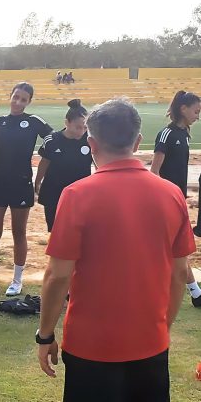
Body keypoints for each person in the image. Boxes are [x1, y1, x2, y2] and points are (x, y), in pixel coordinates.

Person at [37, 98, 195, 401]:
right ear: (138, 141)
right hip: (150, 341)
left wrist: (44, 334)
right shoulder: (171, 193)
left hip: (90, 345)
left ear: (91, 143)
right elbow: (179, 274)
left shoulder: (76, 195)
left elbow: (58, 276)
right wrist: (162, 329)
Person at [0, 82, 52, 298]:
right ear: (10, 96)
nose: (18, 102)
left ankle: (17, 280)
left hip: (21, 183)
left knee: (19, 233)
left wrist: (45, 157)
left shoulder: (33, 121)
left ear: (29, 102)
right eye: (16, 97)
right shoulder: (1, 122)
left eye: (23, 99)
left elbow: (53, 137)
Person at [150, 90, 201, 307]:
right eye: (196, 111)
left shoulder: (184, 134)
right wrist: (166, 197)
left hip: (177, 200)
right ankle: (195, 292)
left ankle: (195, 292)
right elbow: (154, 172)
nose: (198, 115)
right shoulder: (167, 134)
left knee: (173, 248)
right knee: (173, 248)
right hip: (166, 201)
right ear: (183, 109)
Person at [34, 99, 92, 232]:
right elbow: (44, 162)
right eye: (78, 127)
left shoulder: (90, 140)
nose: (82, 131)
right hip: (54, 192)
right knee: (55, 230)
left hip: (81, 194)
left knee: (79, 231)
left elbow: (99, 163)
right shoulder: (52, 140)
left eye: (85, 127)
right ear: (67, 123)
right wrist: (37, 181)